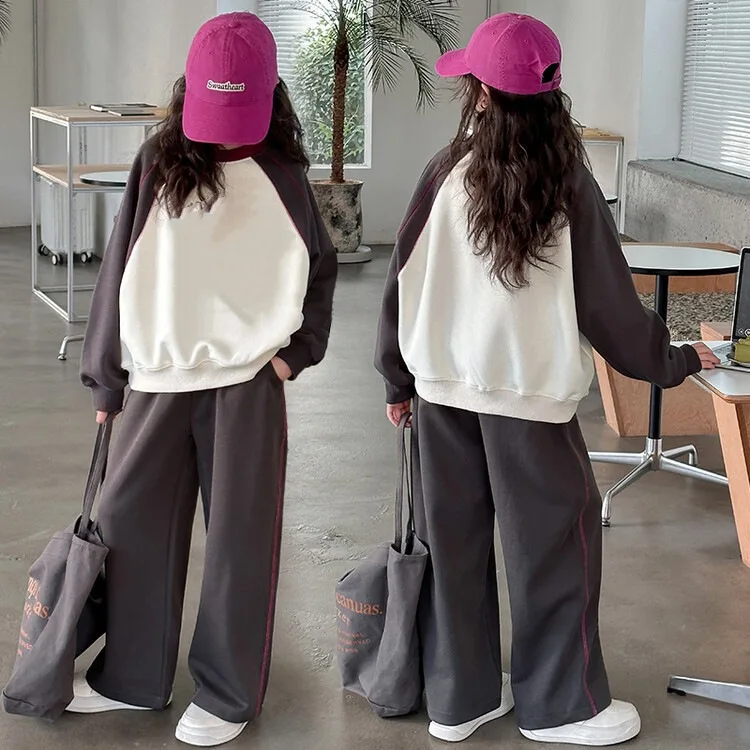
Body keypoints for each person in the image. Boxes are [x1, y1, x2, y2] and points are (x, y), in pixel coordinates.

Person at [375, 12, 718, 747]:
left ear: (481, 93)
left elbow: (403, 279)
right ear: (551, 96)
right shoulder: (570, 184)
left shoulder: (443, 172)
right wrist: (678, 360)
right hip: (529, 405)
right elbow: (611, 310)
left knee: (453, 550)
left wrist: (396, 381)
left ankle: (458, 700)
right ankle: (562, 707)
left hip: (440, 398)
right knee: (554, 550)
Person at [71, 12, 337, 748]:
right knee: (130, 529)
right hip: (158, 377)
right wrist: (105, 379)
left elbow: (320, 271)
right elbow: (118, 270)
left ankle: (227, 693)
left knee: (240, 547)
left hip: (247, 386)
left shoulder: (284, 174)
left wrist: (293, 355)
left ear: (270, 95)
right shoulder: (157, 161)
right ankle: (130, 679)